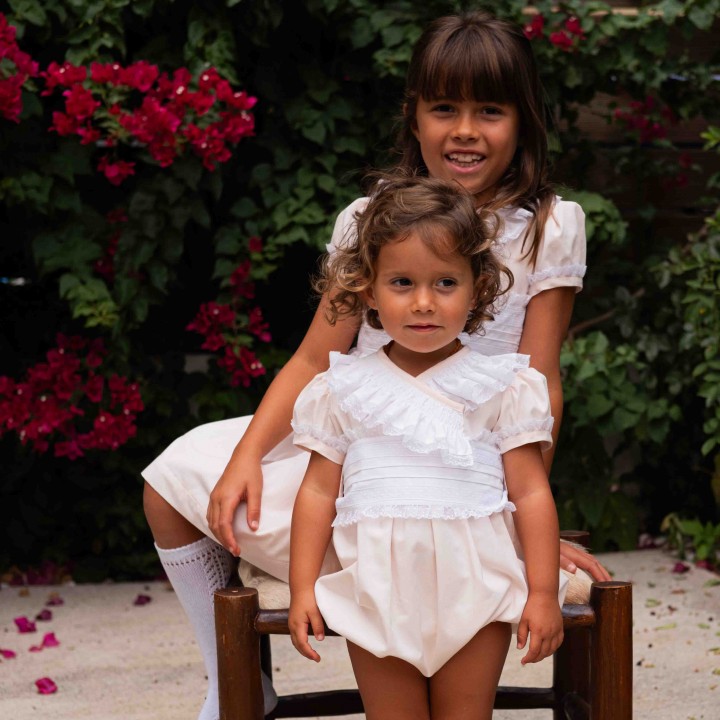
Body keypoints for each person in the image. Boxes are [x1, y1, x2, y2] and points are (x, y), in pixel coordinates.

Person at [141, 9, 610, 720]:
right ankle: (231, 677)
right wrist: (246, 456)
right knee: (173, 477)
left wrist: (521, 520)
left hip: (470, 473)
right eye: (443, 108)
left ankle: (432, 561)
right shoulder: (369, 220)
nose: (464, 131)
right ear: (414, 117)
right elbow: (311, 359)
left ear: (523, 120)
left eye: (490, 110)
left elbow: (539, 383)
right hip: (355, 453)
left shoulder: (547, 225)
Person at [288, 172, 567, 719]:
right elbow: (317, 493)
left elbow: (531, 494)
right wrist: (303, 589)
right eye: (401, 283)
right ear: (368, 288)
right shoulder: (342, 388)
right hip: (376, 593)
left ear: (477, 288)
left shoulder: (504, 386)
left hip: (476, 593)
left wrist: (541, 592)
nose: (423, 303)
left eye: (445, 283)